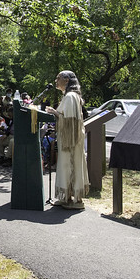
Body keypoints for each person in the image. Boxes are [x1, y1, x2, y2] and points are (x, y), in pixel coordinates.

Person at [46, 70, 89, 210]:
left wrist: (54, 113)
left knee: (71, 166)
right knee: (66, 166)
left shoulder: (70, 96)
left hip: (71, 140)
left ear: (66, 80)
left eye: (58, 78)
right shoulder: (69, 96)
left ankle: (75, 200)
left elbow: (70, 122)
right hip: (68, 139)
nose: (56, 81)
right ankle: (66, 198)